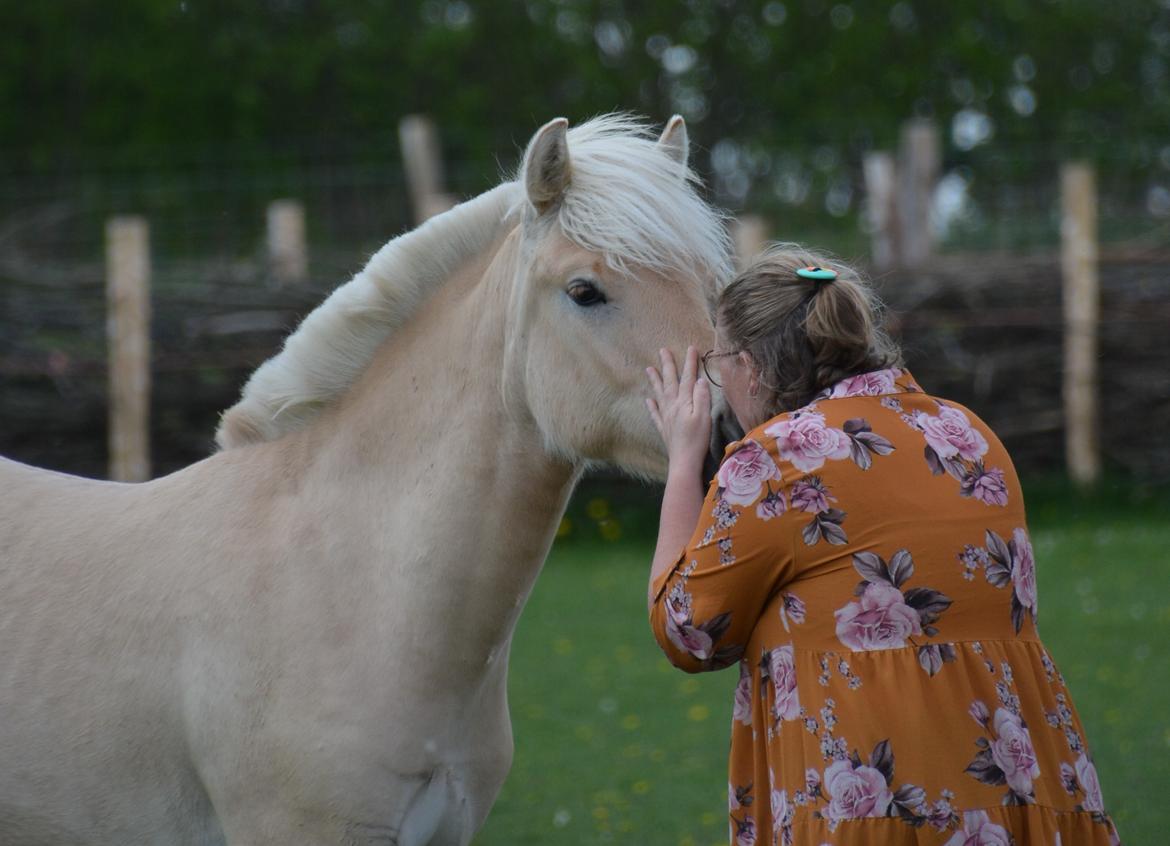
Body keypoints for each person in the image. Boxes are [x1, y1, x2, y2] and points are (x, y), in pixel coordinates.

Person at [644, 245, 1120, 845]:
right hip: (1027, 796)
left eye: (719, 366)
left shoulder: (776, 458)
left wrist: (684, 461)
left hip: (877, 814)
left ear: (751, 367)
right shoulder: (967, 434)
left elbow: (688, 630)